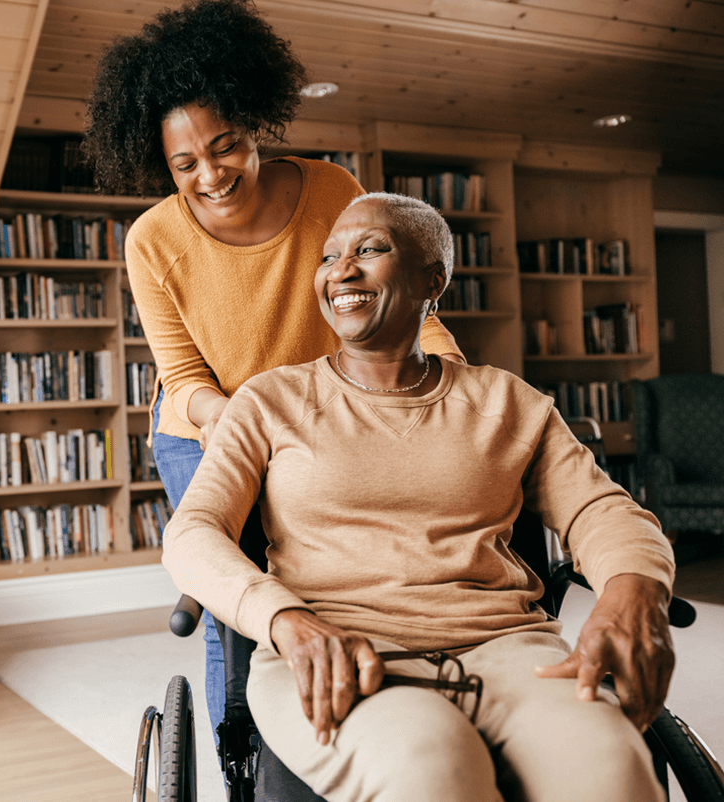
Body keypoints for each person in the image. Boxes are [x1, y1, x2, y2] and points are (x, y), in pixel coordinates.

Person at [160, 192, 676, 802]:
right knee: (432, 763)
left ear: (434, 280)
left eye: (369, 250)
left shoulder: (508, 403)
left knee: (612, 767)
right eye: (329, 258)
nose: (341, 271)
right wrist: (286, 620)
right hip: (337, 651)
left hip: (507, 650)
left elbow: (601, 509)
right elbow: (194, 532)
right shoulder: (269, 401)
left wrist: (632, 587)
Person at [82, 0, 464, 742]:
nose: (211, 174)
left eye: (225, 146)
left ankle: (359, 727)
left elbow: (386, 300)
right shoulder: (152, 239)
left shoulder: (332, 191)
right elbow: (184, 377)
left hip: (324, 414)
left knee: (339, 574)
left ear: (255, 122)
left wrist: (450, 370)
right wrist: (249, 425)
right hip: (205, 430)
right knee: (242, 599)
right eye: (184, 163)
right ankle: (244, 757)